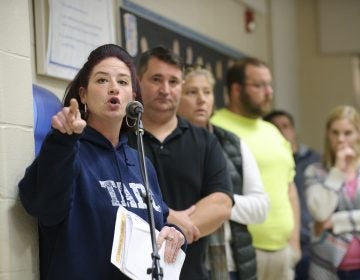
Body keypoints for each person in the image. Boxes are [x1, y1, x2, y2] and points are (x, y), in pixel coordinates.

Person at [18, 44, 185, 280]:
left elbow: (160, 222)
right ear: (84, 94)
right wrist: (63, 142)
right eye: (102, 80)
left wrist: (174, 233)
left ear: (132, 98)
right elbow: (41, 206)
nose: (114, 88)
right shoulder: (66, 150)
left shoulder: (142, 163)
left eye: (123, 82)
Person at [127, 46, 233, 280]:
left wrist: (175, 232)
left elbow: (221, 203)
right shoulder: (121, 136)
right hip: (130, 272)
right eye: (156, 79)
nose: (165, 89)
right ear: (138, 82)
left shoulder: (205, 140)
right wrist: (168, 215)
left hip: (190, 273)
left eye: (174, 82)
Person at [211, 57, 301, 280]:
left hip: (283, 252)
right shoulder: (216, 127)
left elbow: (290, 188)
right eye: (259, 85)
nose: (269, 92)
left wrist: (295, 243)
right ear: (236, 89)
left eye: (269, 84)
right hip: (242, 252)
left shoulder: (273, 131)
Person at [177, 64, 269, 280]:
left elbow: (261, 207)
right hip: (184, 262)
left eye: (207, 92)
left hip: (233, 263)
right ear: (176, 97)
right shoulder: (164, 144)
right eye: (192, 92)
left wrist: (218, 205)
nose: (202, 99)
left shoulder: (232, 143)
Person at [304, 105, 360, 280]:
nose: (341, 139)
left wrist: (335, 221)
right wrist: (336, 171)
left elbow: (326, 221)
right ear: (328, 134)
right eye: (335, 132)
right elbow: (320, 213)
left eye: (348, 133)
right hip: (327, 268)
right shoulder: (315, 171)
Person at [264, 109, 320, 280]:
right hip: (280, 242)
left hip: (312, 242)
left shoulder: (313, 160)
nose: (282, 131)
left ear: (294, 130)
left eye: (286, 126)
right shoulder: (264, 162)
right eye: (275, 127)